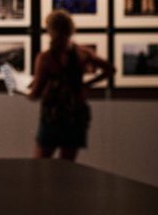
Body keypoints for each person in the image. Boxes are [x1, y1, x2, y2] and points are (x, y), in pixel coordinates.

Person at [28, 9, 114, 161]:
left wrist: (24, 90)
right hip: (76, 114)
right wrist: (87, 85)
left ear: (50, 30)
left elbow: (35, 94)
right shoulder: (83, 53)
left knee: (40, 165)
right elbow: (110, 69)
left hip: (53, 115)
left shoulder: (45, 58)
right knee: (67, 167)